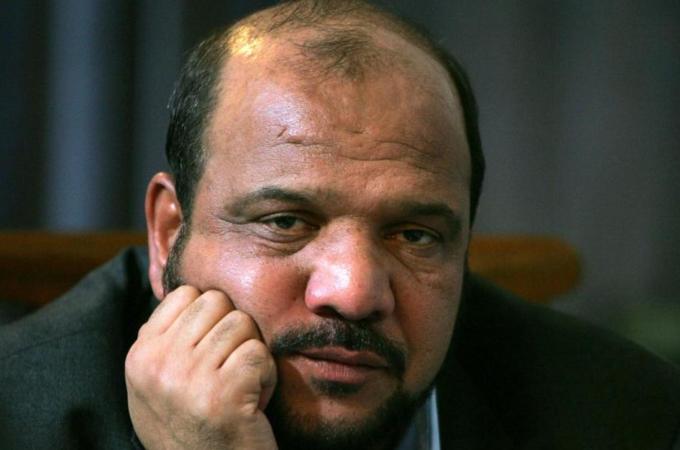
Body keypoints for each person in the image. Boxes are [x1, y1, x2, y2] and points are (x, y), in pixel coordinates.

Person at [1, 1, 679, 449]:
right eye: (285, 221)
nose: (353, 293)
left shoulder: (619, 414)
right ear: (168, 232)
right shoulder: (16, 417)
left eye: (415, 236)